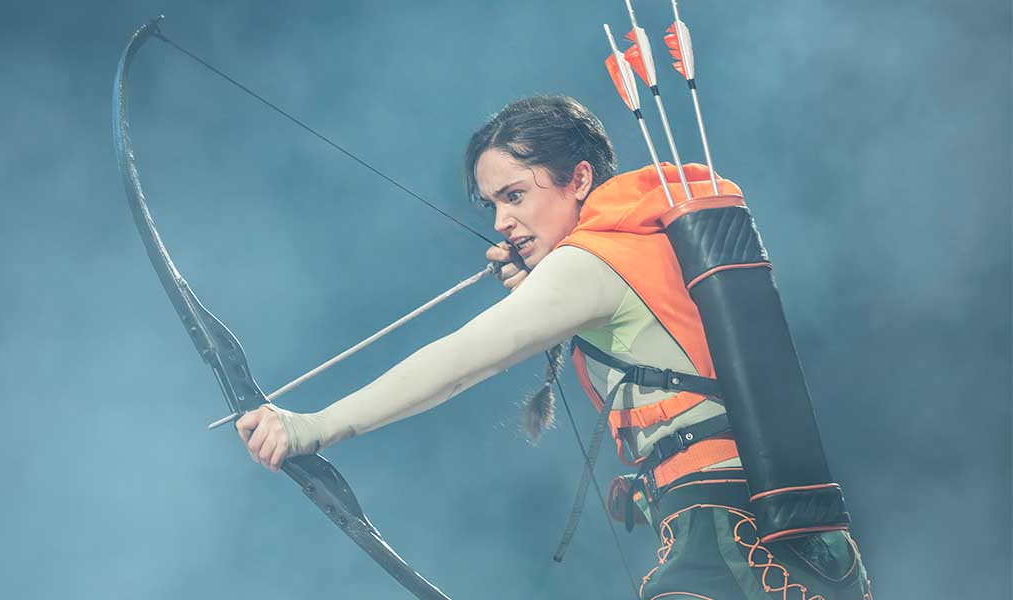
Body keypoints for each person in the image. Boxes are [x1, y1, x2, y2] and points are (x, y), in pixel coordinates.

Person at [235, 95, 873, 599]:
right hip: (795, 535)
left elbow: (457, 363)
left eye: (515, 196)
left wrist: (313, 426)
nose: (501, 222)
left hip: (726, 538)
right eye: (492, 204)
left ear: (579, 178)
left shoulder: (592, 261)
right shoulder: (644, 241)